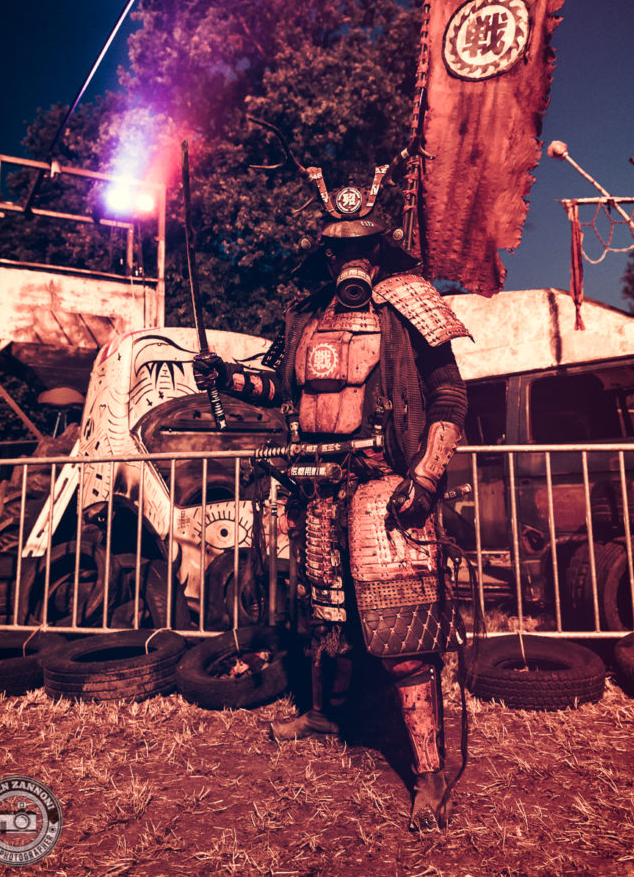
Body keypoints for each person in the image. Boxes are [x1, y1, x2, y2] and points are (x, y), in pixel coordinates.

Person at [194, 192, 470, 831]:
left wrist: (427, 475)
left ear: (379, 250)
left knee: (401, 631)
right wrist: (227, 377)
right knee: (325, 613)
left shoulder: (411, 305)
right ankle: (325, 715)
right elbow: (276, 388)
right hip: (315, 485)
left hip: (383, 484)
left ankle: (429, 772)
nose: (350, 259)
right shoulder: (304, 315)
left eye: (361, 247)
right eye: (338, 248)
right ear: (324, 254)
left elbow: (450, 394)